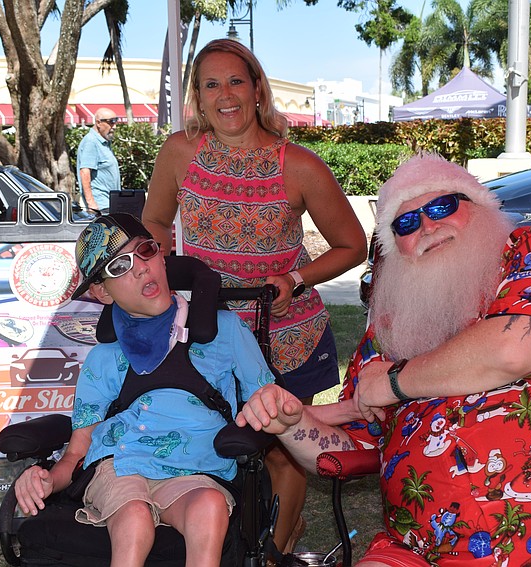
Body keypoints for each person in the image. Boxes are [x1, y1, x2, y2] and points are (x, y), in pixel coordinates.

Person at [238, 155, 531, 566]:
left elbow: (511, 351)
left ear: (481, 208)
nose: (426, 225)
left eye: (443, 205)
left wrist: (392, 381)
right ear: (397, 251)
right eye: (405, 224)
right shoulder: (392, 325)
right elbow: (350, 446)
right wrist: (292, 424)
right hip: (424, 551)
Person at [141, 38, 367, 552]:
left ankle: (277, 550)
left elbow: (352, 244)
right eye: (210, 84)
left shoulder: (300, 164)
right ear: (197, 97)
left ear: (258, 89)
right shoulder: (179, 152)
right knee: (214, 443)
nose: (225, 95)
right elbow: (154, 219)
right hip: (204, 334)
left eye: (236, 81)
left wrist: (297, 280)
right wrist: (155, 266)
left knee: (282, 451)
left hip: (286, 336)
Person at [14, 213, 275, 567]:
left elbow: (273, 403)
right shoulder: (103, 359)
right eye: (119, 266)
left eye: (145, 252)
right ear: (101, 291)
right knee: (135, 517)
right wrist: (47, 480)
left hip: (196, 469)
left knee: (209, 507)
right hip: (119, 467)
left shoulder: (225, 332)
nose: (139, 269)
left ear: (161, 256)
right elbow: (77, 451)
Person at [78, 107, 121, 215]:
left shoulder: (104, 142)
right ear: (98, 123)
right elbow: (84, 172)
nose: (114, 126)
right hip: (101, 206)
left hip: (110, 204)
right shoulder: (91, 142)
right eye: (111, 122)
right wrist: (91, 203)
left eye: (116, 122)